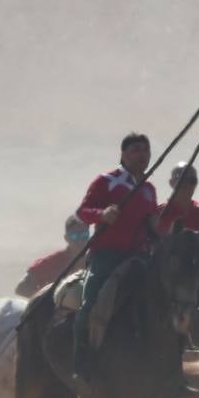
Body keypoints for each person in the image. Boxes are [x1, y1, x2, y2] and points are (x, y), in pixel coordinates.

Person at [73, 132, 163, 358]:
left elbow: (151, 224)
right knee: (91, 305)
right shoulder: (106, 180)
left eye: (146, 150)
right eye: (136, 150)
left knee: (168, 300)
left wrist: (156, 226)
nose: (142, 155)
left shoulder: (148, 189)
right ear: (123, 155)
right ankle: (81, 357)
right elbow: (82, 213)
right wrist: (102, 214)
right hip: (107, 255)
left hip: (139, 256)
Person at [154, 164, 199, 259]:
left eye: (192, 181)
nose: (187, 184)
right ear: (171, 183)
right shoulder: (158, 214)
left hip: (195, 271)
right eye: (182, 179)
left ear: (196, 184)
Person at [18, 218, 89, 299]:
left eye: (84, 235)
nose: (80, 240)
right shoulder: (52, 262)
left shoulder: (94, 261)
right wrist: (49, 300)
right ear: (66, 238)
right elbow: (21, 288)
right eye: (75, 236)